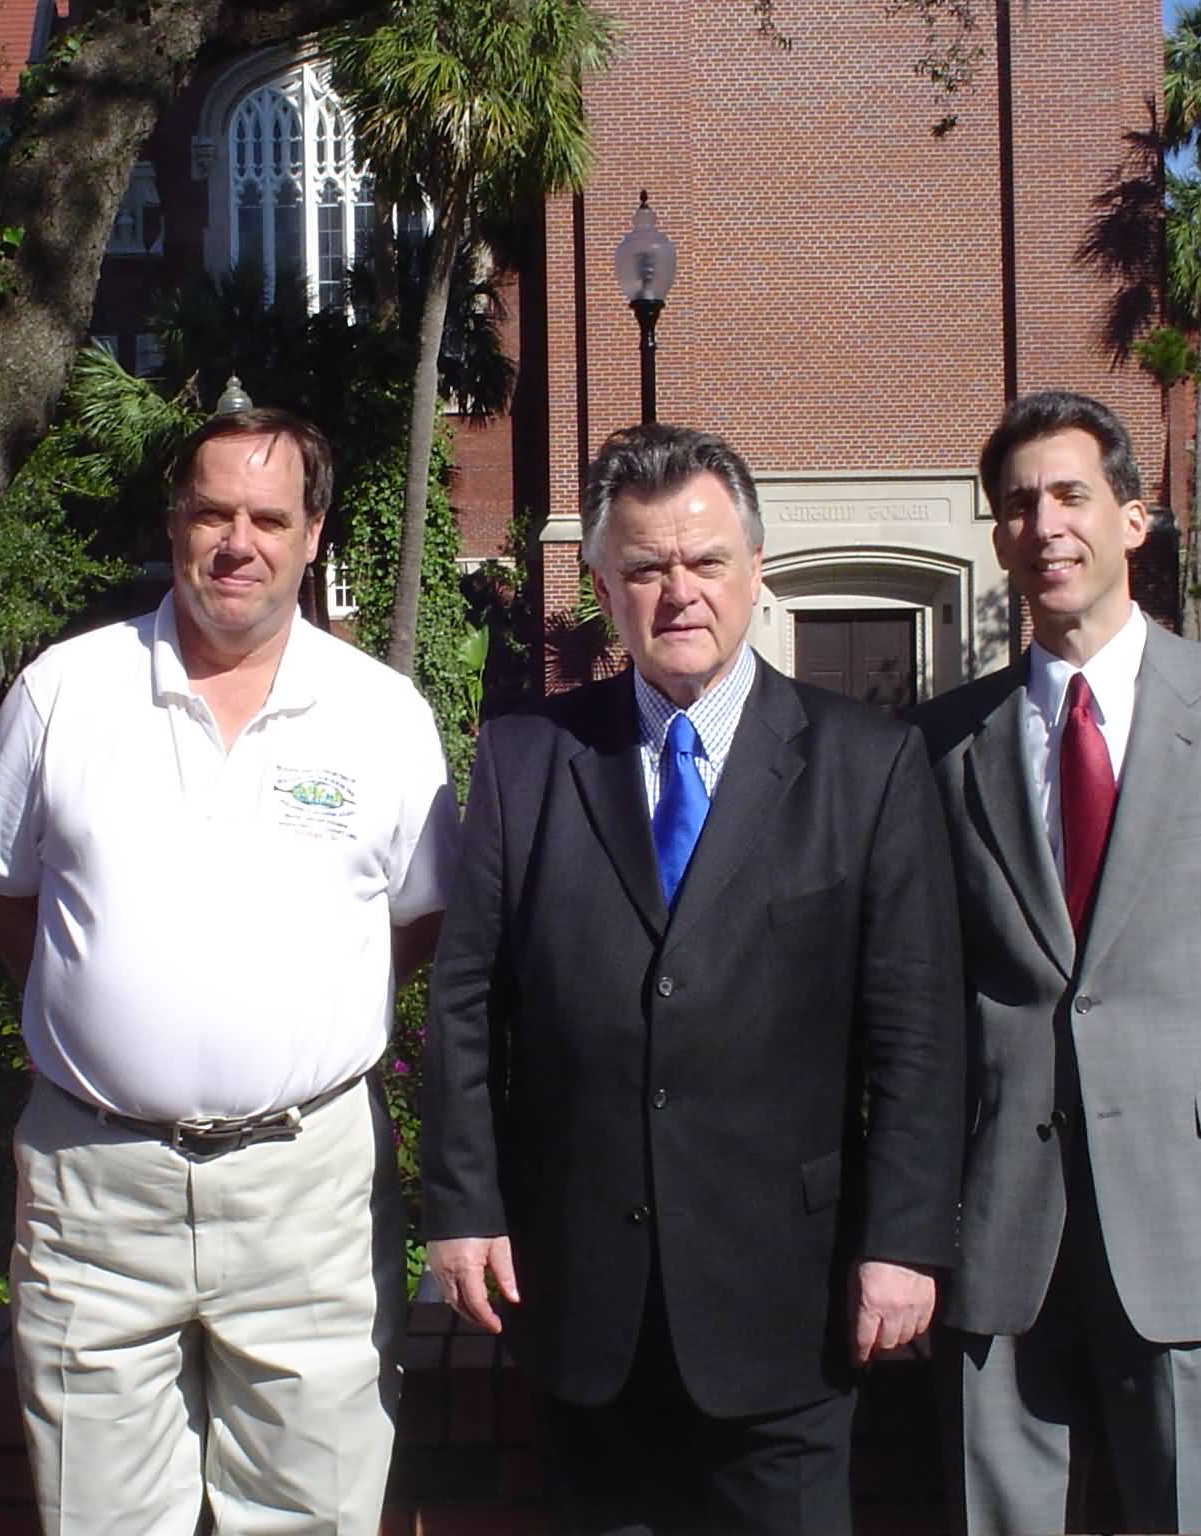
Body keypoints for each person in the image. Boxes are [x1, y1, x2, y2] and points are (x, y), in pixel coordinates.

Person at [422, 422, 966, 1533]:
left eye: (706, 560)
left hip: (790, 1301)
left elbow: (915, 1030)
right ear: (602, 589)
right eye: (645, 568)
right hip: (582, 1297)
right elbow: (467, 1008)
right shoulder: (527, 760)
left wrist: (904, 1239)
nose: (679, 592)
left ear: (754, 569)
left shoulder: (867, 764)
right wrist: (465, 1207)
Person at [0, 406, 456, 1535]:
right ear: (174, 524)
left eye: (269, 519)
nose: (239, 543)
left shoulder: (381, 714)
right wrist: (105, 1018)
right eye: (212, 513)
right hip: (96, 1187)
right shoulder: (63, 691)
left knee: (310, 1514)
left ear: (313, 534)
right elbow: (2, 893)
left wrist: (293, 1019)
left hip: (308, 1191)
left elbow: (421, 920)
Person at [914, 390, 1201, 1534]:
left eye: (1069, 495)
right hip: (999, 1221)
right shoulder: (939, 743)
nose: (1043, 525)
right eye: (1018, 505)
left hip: (1194, 1214)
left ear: (1131, 518)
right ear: (998, 537)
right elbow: (920, 1001)